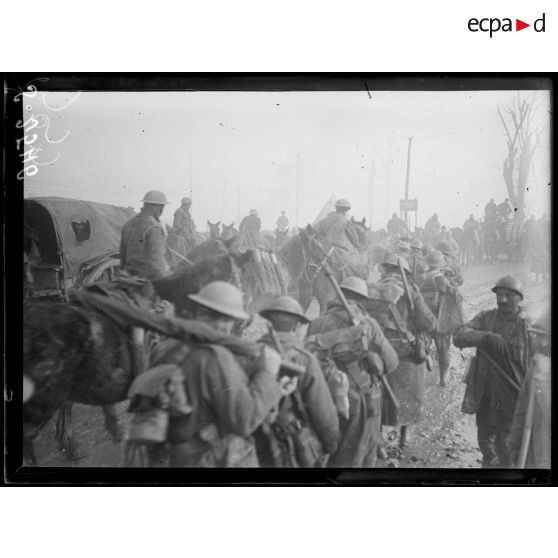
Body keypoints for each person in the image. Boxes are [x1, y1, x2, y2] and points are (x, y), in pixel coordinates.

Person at [150, 281, 296, 467]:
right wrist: (268, 372)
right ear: (231, 320)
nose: (226, 326)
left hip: (171, 454)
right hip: (209, 457)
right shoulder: (217, 357)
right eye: (230, 320)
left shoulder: (164, 347)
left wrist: (276, 390)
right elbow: (244, 420)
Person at [307, 276, 399, 467]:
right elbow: (391, 363)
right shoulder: (369, 324)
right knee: (359, 458)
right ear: (362, 299)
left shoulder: (317, 323)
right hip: (362, 398)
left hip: (325, 397)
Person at [454, 276, 532, 468]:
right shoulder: (486, 317)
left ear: (519, 298)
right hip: (486, 395)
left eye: (509, 295)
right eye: (500, 295)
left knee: (507, 448)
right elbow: (458, 336)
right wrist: (486, 337)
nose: (503, 299)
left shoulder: (527, 326)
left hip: (512, 397)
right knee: (485, 441)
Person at [255, 296, 340, 466]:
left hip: (253, 440)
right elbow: (323, 412)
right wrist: (330, 445)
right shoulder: (305, 359)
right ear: (296, 325)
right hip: (288, 444)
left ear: (268, 322)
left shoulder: (249, 352)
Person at [369, 253, 437, 450]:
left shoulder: (372, 288)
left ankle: (378, 438)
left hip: (377, 350)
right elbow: (428, 322)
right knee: (408, 394)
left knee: (378, 393)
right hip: (404, 351)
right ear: (405, 272)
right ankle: (402, 438)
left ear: (384, 269)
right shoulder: (412, 290)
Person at [506, 313, 551, 468]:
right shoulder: (537, 366)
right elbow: (522, 408)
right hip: (534, 447)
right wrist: (514, 443)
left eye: (540, 337)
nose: (536, 341)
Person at [420, 250, 454, 386]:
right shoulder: (441, 278)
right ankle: (443, 378)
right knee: (443, 350)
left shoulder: (421, 277)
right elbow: (451, 293)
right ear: (440, 264)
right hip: (438, 318)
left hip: (423, 317)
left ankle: (422, 372)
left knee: (422, 346)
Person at [120, 190, 170, 281]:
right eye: (162, 206)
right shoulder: (154, 227)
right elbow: (157, 261)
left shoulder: (128, 223)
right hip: (146, 279)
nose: (162, 210)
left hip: (127, 276)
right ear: (157, 207)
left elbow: (122, 253)